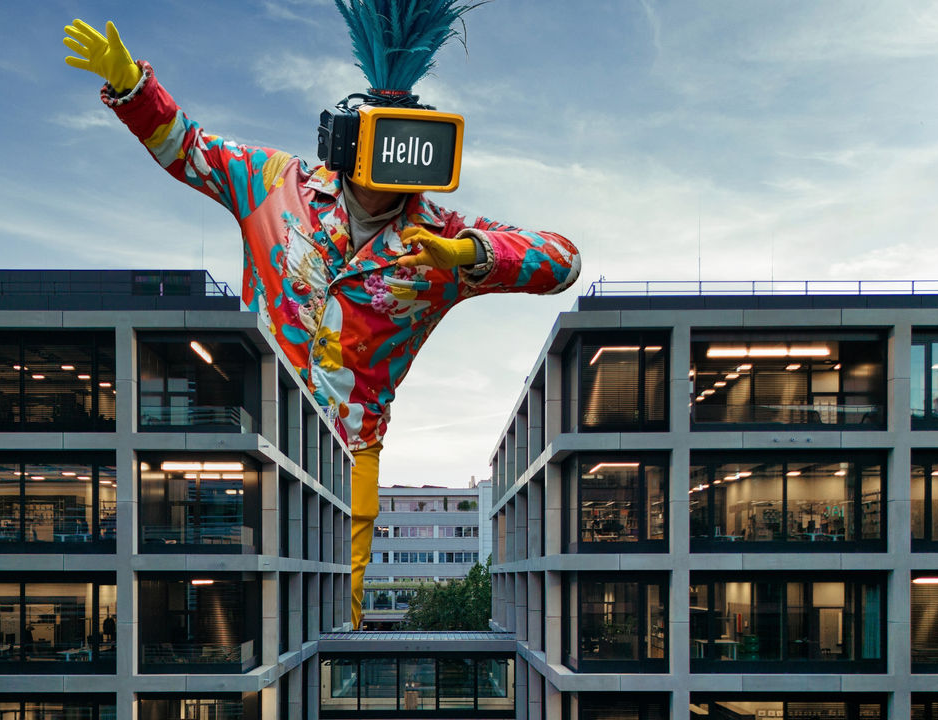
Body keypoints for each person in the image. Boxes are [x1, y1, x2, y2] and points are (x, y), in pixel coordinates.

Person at [63, 18, 580, 628]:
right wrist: (131, 86)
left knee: (334, 613)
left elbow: (564, 260)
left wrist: (469, 254)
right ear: (344, 142)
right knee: (221, 599)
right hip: (252, 442)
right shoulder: (273, 183)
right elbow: (186, 149)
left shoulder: (444, 234)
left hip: (348, 453)